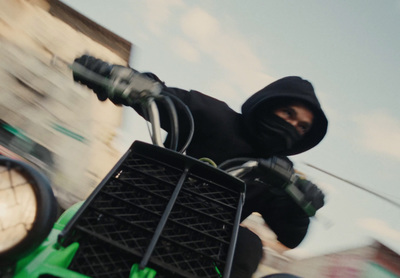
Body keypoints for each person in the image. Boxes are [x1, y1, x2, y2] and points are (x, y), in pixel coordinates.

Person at [72, 55, 328, 278]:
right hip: (139, 205)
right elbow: (163, 96)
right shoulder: (212, 115)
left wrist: (301, 205)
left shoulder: (279, 172)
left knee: (248, 244)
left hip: (199, 247)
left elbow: (291, 235)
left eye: (302, 127)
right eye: (288, 113)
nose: (293, 126)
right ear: (268, 105)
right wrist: (120, 77)